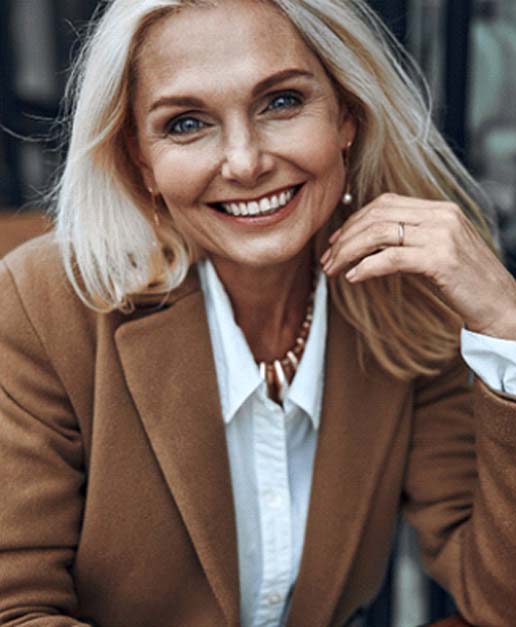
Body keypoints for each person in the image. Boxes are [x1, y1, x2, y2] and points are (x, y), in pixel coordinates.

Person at [1, 0, 516, 625]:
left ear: (347, 117)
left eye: (281, 103)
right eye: (187, 124)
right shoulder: (43, 304)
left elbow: (500, 599)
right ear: (142, 160)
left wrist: (505, 330)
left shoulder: (401, 297)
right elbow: (18, 610)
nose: (245, 162)